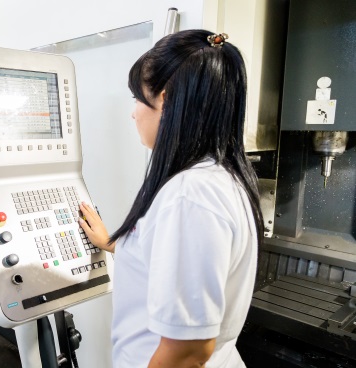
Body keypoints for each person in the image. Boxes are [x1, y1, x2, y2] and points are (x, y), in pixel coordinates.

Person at [78, 30, 263, 368]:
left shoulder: (190, 195)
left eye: (137, 98)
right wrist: (112, 244)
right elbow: (169, 263)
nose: (134, 113)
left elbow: (187, 352)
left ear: (164, 100)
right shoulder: (222, 176)